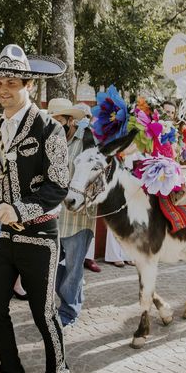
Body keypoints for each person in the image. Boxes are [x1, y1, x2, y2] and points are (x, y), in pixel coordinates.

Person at [0, 44, 71, 373]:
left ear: (28, 86)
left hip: (38, 235)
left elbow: (58, 186)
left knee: (44, 314)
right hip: (1, 235)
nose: (4, 90)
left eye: (12, 83)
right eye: (0, 84)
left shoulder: (49, 128)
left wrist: (17, 209)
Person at [48, 97, 95, 328]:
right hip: (54, 217)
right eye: (52, 121)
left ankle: (69, 310)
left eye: (59, 121)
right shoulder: (51, 144)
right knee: (48, 265)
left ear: (70, 120)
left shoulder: (87, 141)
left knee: (74, 270)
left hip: (78, 218)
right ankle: (74, 295)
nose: (55, 126)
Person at [74, 103, 101, 274]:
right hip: (74, 186)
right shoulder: (70, 135)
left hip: (89, 187)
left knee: (89, 224)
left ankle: (88, 258)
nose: (84, 119)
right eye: (81, 116)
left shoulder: (94, 136)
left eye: (87, 116)